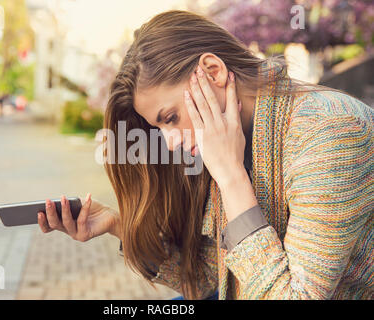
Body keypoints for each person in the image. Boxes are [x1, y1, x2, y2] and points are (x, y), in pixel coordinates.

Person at [37, 10, 373, 300]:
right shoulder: (239, 137)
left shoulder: (330, 131)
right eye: (159, 128)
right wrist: (118, 224)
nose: (168, 143)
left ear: (213, 71)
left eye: (170, 118)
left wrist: (230, 176)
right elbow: (215, 279)